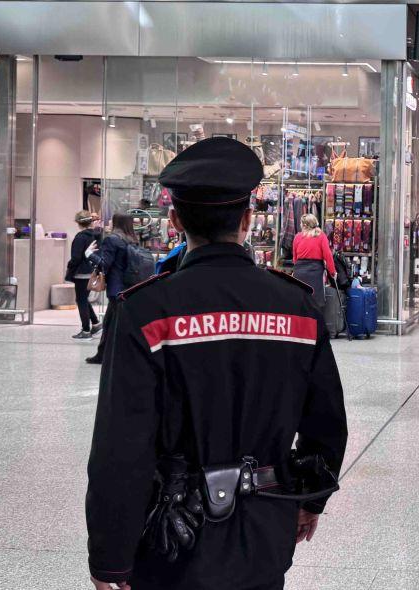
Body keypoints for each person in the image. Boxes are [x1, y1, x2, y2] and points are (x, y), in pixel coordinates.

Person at [85, 138, 348, 590]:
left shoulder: (145, 311)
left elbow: (121, 445)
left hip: (172, 535)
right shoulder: (298, 308)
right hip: (267, 526)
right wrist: (311, 500)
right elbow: (327, 424)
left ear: (174, 220)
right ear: (248, 219)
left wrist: (110, 555)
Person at [84, 212, 135, 365]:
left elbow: (104, 264)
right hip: (130, 286)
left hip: (116, 289)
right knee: (112, 322)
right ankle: (103, 354)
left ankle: (104, 355)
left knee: (111, 324)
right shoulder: (132, 239)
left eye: (112, 221)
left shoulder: (112, 240)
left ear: (117, 223)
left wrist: (89, 255)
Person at [65, 210, 102, 339]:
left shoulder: (80, 237)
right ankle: (96, 323)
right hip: (92, 271)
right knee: (83, 299)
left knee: (80, 300)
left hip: (81, 273)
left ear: (78, 223)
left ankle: (85, 330)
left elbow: (76, 257)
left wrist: (70, 267)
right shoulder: (95, 235)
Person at [292, 213, 336, 308]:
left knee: (300, 303)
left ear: (304, 225)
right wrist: (332, 272)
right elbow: (328, 255)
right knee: (315, 303)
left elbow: (295, 259)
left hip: (299, 272)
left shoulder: (298, 237)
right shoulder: (321, 236)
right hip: (315, 273)